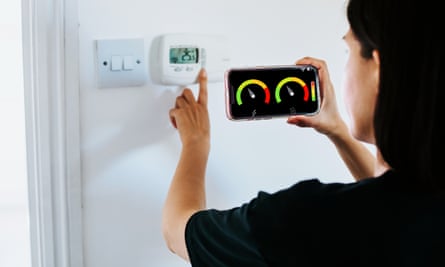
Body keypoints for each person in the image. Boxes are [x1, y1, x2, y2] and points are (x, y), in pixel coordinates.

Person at [162, 0, 445, 265]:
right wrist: (339, 133)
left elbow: (178, 231)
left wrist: (195, 144)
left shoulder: (309, 220)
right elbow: (395, 208)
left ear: (377, 70)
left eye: (348, 52)